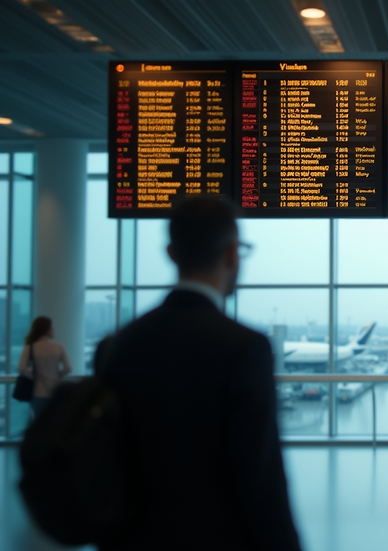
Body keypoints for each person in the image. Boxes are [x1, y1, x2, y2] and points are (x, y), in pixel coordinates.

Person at [100, 196, 301, 550]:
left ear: (171, 253)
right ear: (232, 254)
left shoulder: (118, 345)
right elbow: (261, 480)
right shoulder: (245, 348)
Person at [16, 316, 72, 416]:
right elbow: (68, 368)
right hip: (55, 392)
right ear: (47, 329)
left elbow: (21, 368)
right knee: (55, 424)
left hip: (37, 393)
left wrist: (34, 376)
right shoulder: (59, 346)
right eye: (51, 328)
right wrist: (57, 375)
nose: (53, 330)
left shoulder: (30, 347)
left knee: (40, 424)